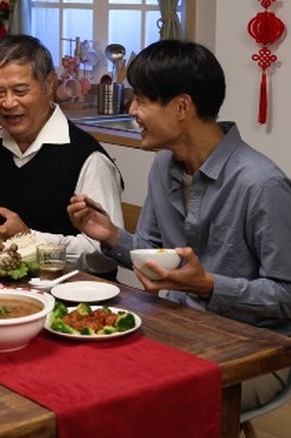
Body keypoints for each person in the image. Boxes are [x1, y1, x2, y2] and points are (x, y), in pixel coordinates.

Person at [67, 40, 291, 411]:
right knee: (81, 374)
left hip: (254, 353)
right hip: (179, 329)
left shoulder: (261, 184)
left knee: (134, 403)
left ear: (182, 107)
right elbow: (157, 254)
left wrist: (209, 286)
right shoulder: (164, 165)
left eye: (140, 100)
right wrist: (111, 237)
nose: (132, 110)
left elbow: (286, 295)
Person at [0, 34, 124, 279]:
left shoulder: (87, 157)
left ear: (49, 84)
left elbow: (102, 256)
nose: (8, 103)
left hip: (75, 300)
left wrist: (29, 240)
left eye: (20, 90)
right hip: (6, 289)